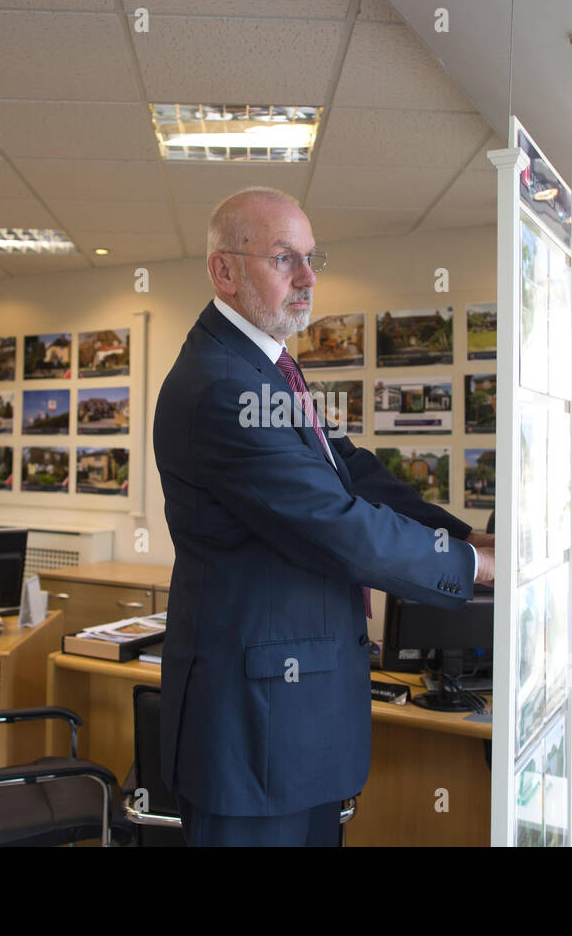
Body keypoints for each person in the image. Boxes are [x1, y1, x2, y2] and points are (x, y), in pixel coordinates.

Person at [153, 187, 494, 846]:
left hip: (295, 721)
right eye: (286, 259)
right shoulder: (223, 384)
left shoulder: (269, 367)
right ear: (224, 270)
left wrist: (462, 534)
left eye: (312, 258)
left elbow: (353, 473)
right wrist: (472, 567)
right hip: (254, 733)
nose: (309, 278)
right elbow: (336, 523)